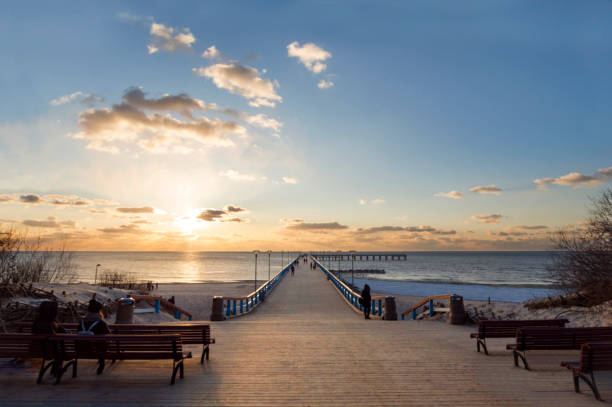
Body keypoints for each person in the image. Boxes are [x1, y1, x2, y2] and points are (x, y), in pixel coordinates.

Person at [79, 298, 111, 374]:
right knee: (103, 342)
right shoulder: (101, 323)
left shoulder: (82, 322)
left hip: (80, 349)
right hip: (98, 351)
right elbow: (108, 334)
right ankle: (101, 362)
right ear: (99, 311)